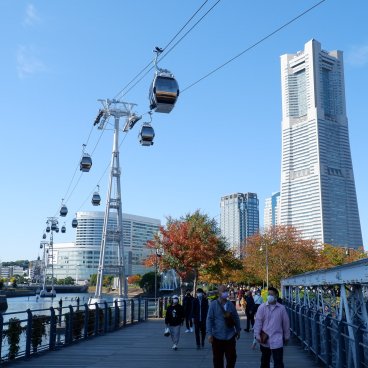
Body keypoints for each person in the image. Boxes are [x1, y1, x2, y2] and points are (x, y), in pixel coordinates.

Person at [253, 287, 290, 368]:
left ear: (276, 295)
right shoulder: (262, 307)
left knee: (278, 363)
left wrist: (286, 337)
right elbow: (258, 322)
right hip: (265, 339)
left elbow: (286, 324)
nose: (269, 296)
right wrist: (257, 335)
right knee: (264, 362)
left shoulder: (281, 308)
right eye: (268, 294)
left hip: (277, 340)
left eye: (271, 294)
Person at [206, 285, 241, 368]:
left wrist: (238, 330)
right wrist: (209, 334)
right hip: (217, 336)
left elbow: (236, 317)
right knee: (218, 360)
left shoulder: (230, 304)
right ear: (219, 293)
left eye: (226, 290)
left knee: (232, 358)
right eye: (223, 291)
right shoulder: (213, 305)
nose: (225, 292)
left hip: (230, 336)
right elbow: (209, 319)